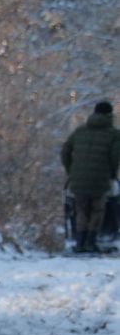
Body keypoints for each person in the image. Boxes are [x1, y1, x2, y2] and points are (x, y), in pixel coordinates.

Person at [62, 100, 120, 254]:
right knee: (97, 210)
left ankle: (79, 242)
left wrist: (71, 171)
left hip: (78, 179)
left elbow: (65, 151)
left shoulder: (80, 131)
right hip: (100, 179)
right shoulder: (114, 134)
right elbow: (115, 156)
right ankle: (91, 242)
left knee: (81, 210)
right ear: (110, 115)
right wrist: (112, 174)